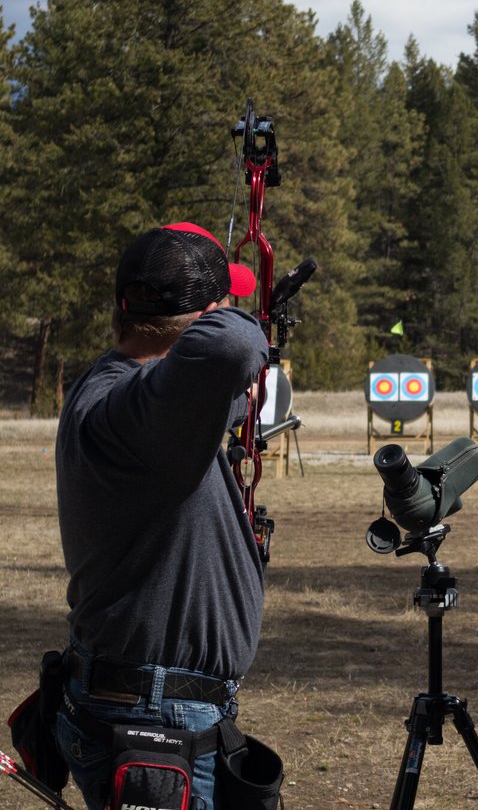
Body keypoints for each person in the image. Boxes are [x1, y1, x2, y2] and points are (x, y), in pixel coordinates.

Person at [53, 221, 268, 810]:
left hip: (149, 703)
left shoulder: (115, 389)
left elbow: (182, 394)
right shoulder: (133, 414)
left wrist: (228, 393)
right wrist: (240, 324)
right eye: (226, 303)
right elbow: (231, 347)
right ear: (205, 316)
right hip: (156, 717)